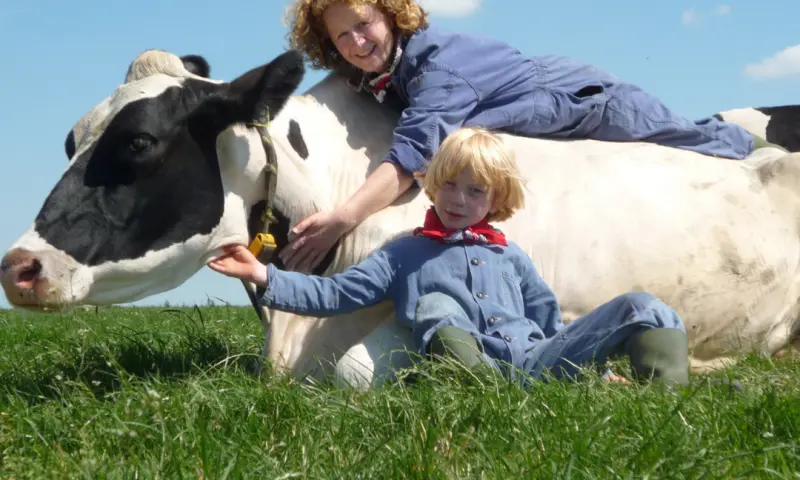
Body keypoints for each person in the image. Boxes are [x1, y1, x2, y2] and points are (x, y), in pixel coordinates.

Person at [277, 0, 784, 273]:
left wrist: (343, 218)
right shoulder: (388, 73)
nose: (356, 41)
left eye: (363, 23)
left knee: (690, 139)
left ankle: (769, 151)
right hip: (551, 112)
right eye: (342, 36)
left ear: (390, 12)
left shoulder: (437, 68)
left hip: (589, 101)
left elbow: (414, 154)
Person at [209, 126, 690, 387]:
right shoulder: (403, 253)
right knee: (436, 307)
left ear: (496, 200)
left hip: (537, 359)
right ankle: (484, 391)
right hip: (475, 366)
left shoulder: (511, 256)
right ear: (434, 188)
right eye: (450, 186)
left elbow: (547, 319)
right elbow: (335, 293)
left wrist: (593, 367)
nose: (458, 199)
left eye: (475, 190)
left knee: (643, 305)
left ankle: (668, 397)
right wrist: (263, 275)